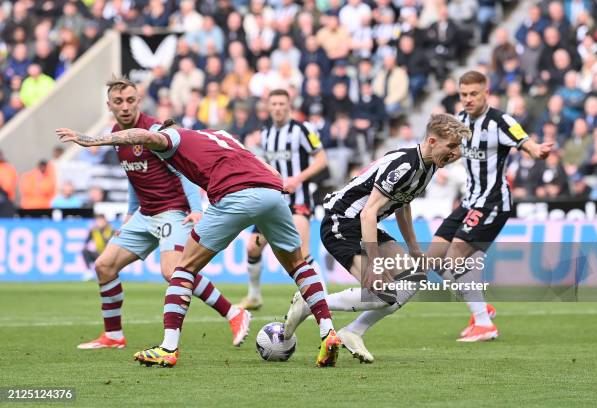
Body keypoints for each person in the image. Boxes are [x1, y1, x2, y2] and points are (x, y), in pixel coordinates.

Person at [56, 121, 340, 368]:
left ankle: (167, 348)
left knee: (183, 268)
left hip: (233, 195)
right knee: (299, 265)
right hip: (272, 193)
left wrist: (92, 140)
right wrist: (268, 219)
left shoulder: (172, 138)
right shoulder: (222, 134)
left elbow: (146, 137)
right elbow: (270, 172)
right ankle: (328, 332)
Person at [342, 71, 554, 360]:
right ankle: (477, 306)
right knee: (430, 261)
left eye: (473, 94)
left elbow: (523, 140)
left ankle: (482, 321)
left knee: (454, 258)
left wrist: (536, 150)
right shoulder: (460, 123)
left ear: (486, 92)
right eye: (463, 94)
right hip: (467, 202)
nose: (468, 99)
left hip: (492, 203)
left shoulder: (500, 122)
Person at [76, 77, 250, 351]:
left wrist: (195, 210)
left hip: (172, 212)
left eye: (130, 100)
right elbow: (135, 179)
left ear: (139, 101)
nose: (125, 107)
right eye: (119, 102)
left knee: (173, 271)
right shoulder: (116, 135)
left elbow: (183, 170)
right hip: (145, 214)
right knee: (103, 266)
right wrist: (129, 216)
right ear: (109, 105)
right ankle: (113, 335)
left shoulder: (154, 130)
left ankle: (234, 313)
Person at [283, 113, 468, 362]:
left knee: (414, 277)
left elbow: (404, 204)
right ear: (433, 141)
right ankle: (311, 302)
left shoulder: (429, 165)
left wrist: (414, 250)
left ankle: (353, 331)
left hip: (362, 225)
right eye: (452, 146)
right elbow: (368, 213)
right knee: (382, 294)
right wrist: (376, 263)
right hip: (342, 222)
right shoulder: (405, 164)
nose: (456, 153)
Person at [238, 89, 328, 310]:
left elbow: (322, 159)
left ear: (289, 106)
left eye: (281, 104)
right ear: (268, 107)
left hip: (298, 201)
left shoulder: (303, 129)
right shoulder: (266, 133)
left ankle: (324, 299)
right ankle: (254, 296)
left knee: (302, 252)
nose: (278, 108)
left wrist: (298, 178)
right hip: (272, 203)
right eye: (274, 104)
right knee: (252, 249)